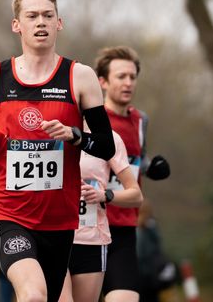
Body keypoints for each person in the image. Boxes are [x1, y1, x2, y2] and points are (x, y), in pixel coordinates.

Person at [0, 0, 115, 302]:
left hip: (58, 218)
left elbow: (106, 145)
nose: (40, 22)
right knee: (32, 295)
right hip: (6, 211)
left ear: (59, 23)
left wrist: (75, 135)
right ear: (17, 24)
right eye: (32, 16)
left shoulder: (79, 76)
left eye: (48, 15)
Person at [94, 46, 171, 302]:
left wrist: (152, 167)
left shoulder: (141, 120)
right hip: (87, 228)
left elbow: (135, 159)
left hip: (124, 226)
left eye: (132, 77)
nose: (128, 83)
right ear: (102, 81)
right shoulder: (88, 120)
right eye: (120, 77)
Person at [59, 124, 143, 302]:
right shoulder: (52, 130)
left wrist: (104, 195)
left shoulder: (108, 138)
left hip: (91, 241)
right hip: (55, 238)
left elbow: (136, 195)